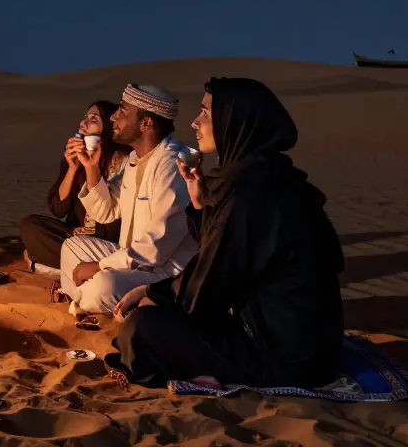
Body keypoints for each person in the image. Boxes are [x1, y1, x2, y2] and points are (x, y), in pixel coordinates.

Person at [111, 78, 344, 389]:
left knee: (143, 327)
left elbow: (210, 287)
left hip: (282, 357)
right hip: (289, 341)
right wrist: (198, 203)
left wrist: (152, 292)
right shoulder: (261, 175)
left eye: (206, 113)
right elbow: (224, 255)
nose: (195, 122)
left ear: (234, 121)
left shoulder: (253, 191)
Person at [58, 84, 197, 315]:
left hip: (164, 273)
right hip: (132, 261)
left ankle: (85, 300)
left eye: (122, 111)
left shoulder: (174, 164)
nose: (113, 117)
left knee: (104, 285)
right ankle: (94, 301)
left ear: (146, 123)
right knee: (72, 246)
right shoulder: (135, 159)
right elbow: (106, 212)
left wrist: (99, 267)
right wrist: (91, 168)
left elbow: (156, 247)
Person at [18, 100, 131, 277]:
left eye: (94, 119)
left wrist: (91, 168)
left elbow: (110, 218)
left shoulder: (124, 162)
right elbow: (58, 209)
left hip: (107, 243)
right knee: (31, 226)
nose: (83, 123)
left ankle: (62, 267)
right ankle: (79, 268)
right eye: (84, 117)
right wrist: (72, 168)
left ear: (109, 127)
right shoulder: (75, 157)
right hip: (74, 237)